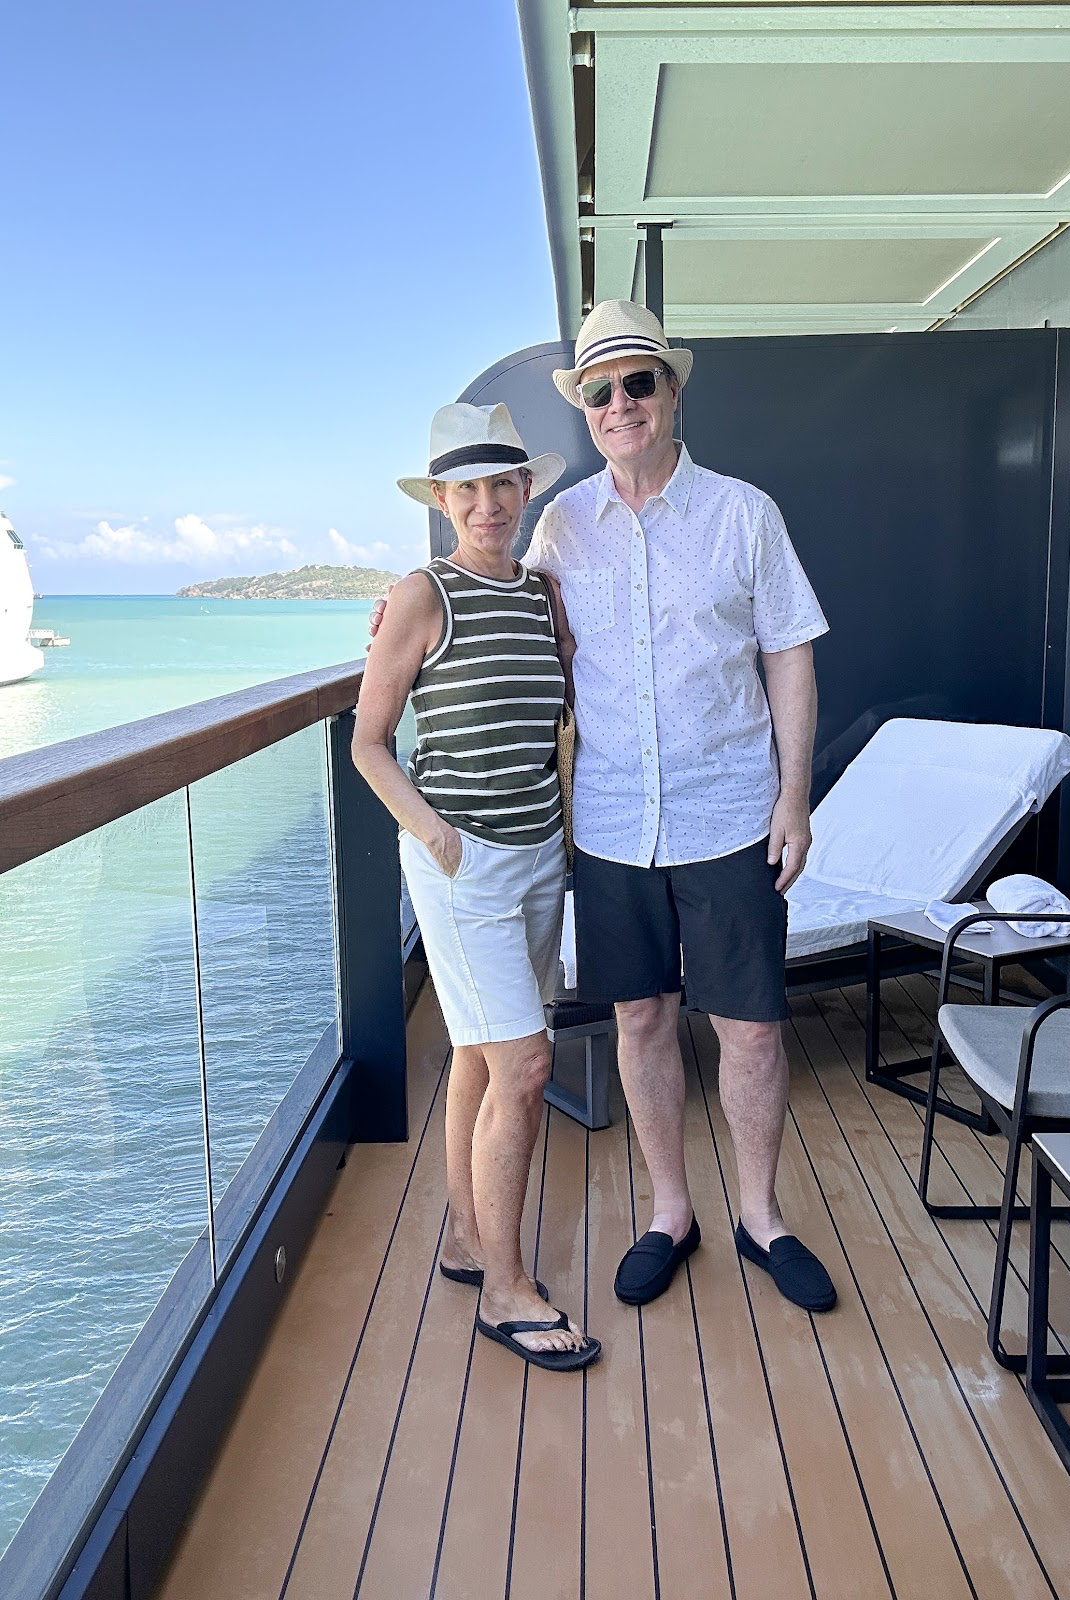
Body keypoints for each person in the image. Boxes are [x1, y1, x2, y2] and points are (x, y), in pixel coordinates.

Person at [372, 301, 836, 1315]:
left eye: (639, 382)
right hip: (615, 824)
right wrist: (398, 607)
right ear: (584, 410)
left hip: (731, 812)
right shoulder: (561, 525)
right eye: (601, 390)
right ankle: (672, 1211)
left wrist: (795, 794)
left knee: (752, 1031)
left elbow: (789, 652)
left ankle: (763, 1216)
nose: (621, 403)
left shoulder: (744, 514)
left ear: (671, 392)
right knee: (639, 1016)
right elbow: (490, 590)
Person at [353, 401, 599, 1372]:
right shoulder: (421, 595)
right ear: (443, 500)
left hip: (541, 854)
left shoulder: (542, 595)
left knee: (480, 1056)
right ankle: (505, 1287)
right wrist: (434, 835)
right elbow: (371, 744)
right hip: (465, 868)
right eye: (469, 488)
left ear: (526, 489)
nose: (489, 502)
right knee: (528, 1067)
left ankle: (464, 1237)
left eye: (504, 483)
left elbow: (565, 707)